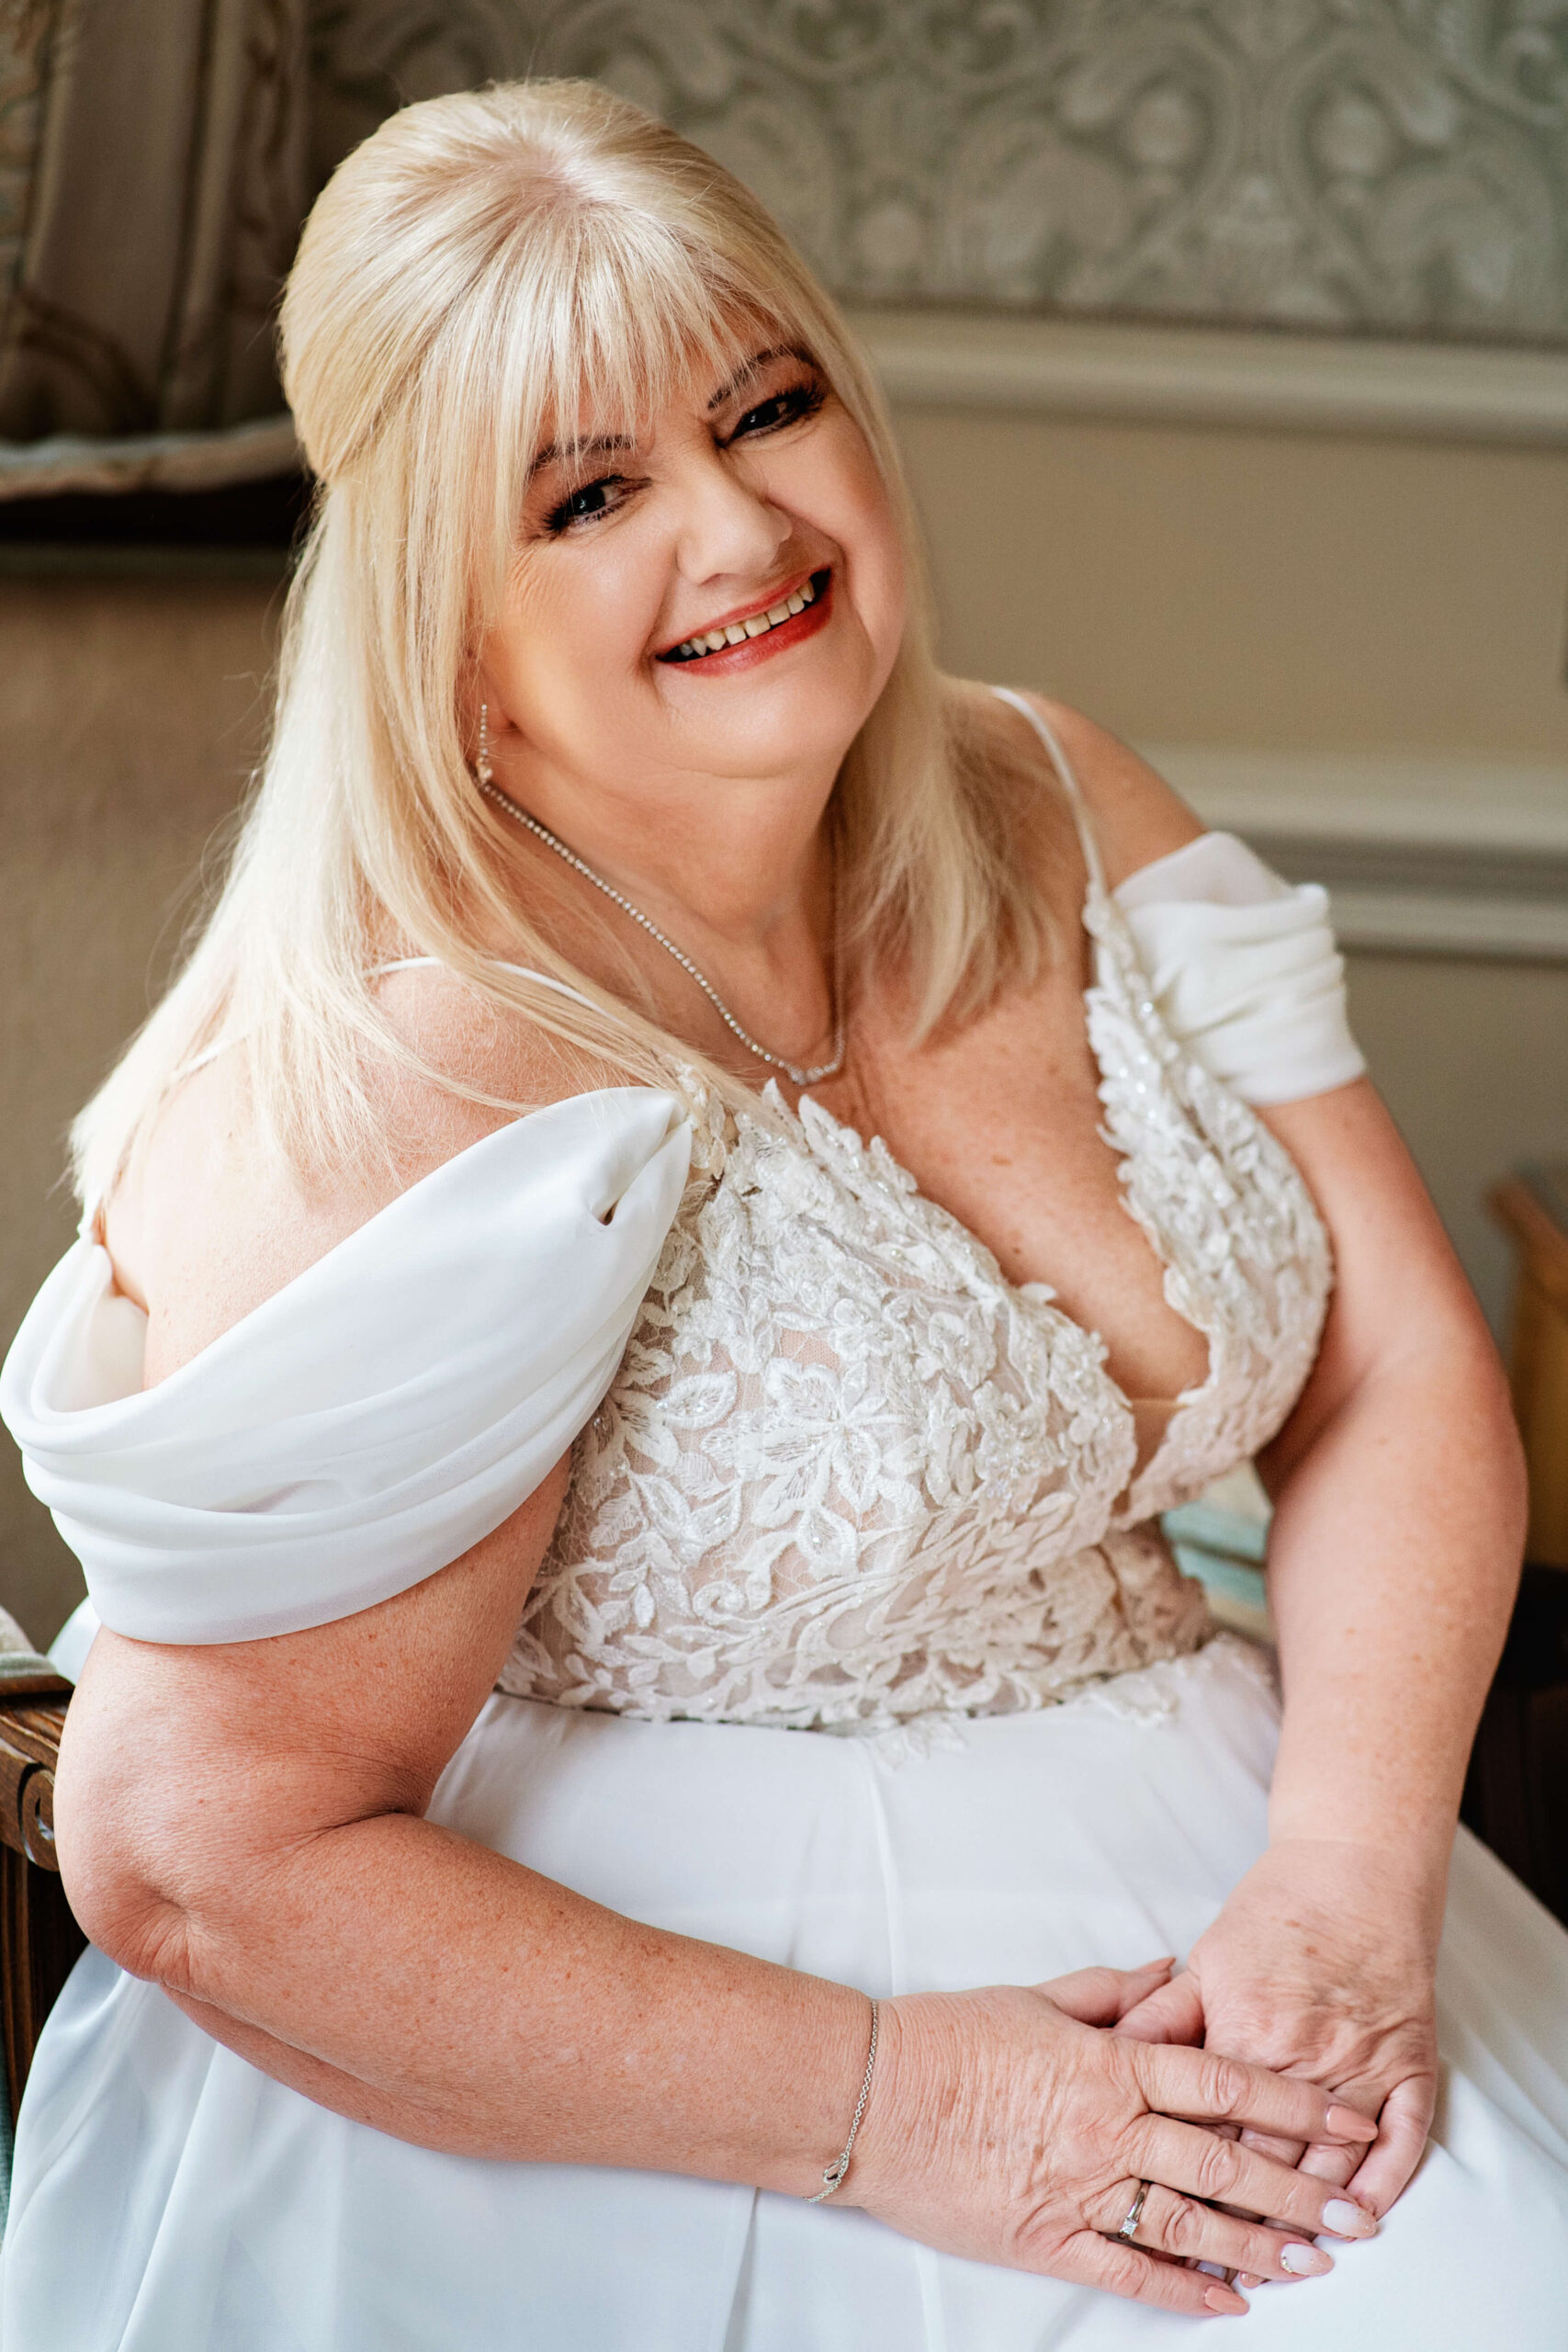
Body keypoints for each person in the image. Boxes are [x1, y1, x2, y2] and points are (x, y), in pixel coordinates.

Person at [2, 78, 1565, 2352]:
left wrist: (1341, 1879)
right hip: (675, 2052)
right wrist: (910, 2109)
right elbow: (189, 1847)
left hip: (1258, 1877)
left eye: (768, 406)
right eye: (594, 491)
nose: (738, 528)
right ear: (441, 591)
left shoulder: (1050, 784)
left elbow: (1392, 1370)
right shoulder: (434, 1048)